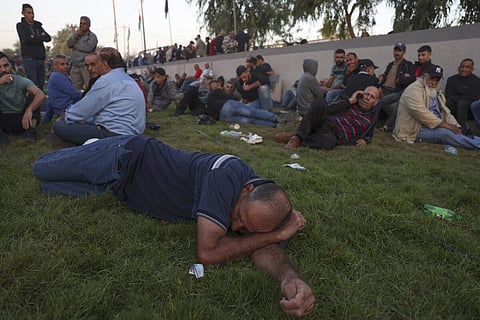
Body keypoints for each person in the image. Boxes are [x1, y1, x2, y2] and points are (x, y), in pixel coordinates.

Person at [32, 135, 315, 318]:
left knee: (47, 188)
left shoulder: (261, 211)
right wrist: (278, 234)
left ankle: (88, 149)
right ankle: (93, 144)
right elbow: (208, 254)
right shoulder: (226, 176)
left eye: (246, 228)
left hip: (117, 191)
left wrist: (289, 278)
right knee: (40, 168)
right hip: (124, 158)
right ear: (247, 189)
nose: (235, 224)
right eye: (239, 216)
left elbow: (266, 250)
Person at [52, 47, 145, 145]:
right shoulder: (129, 80)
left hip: (114, 135)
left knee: (59, 126)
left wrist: (65, 117)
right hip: (134, 134)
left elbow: (83, 109)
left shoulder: (106, 80)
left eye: (97, 63)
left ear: (105, 63)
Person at [393, 65, 480, 150]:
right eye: (432, 78)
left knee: (459, 132)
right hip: (414, 130)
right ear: (424, 76)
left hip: (434, 125)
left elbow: (445, 112)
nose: (434, 82)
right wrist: (447, 126)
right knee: (445, 133)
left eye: (437, 80)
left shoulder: (437, 90)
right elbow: (422, 114)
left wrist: (457, 126)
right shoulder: (413, 90)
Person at [275, 86, 382, 150]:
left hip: (335, 134)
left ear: (376, 102)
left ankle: (294, 138)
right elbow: (328, 109)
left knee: (328, 143)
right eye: (366, 94)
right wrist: (350, 101)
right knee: (320, 103)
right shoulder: (349, 104)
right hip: (326, 122)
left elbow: (370, 134)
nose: (367, 98)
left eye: (372, 97)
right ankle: (296, 138)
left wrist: (365, 140)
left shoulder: (372, 117)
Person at [0, 52, 46, 144]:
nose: (3, 70)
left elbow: (41, 95)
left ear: (11, 66)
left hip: (23, 119)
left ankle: (30, 132)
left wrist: (29, 109)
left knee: (35, 97)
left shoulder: (20, 80)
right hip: (3, 120)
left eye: (6, 66)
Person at [205, 79, 286, 127]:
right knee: (253, 112)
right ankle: (275, 118)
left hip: (223, 118)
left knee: (250, 121)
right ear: (217, 87)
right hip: (228, 106)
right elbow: (231, 98)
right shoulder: (217, 91)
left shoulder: (208, 99)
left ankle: (275, 125)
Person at [377, 43, 415, 132]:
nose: (397, 53)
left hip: (395, 90)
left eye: (399, 50)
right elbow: (386, 76)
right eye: (395, 50)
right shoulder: (390, 64)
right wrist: (382, 77)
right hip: (383, 88)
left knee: (384, 102)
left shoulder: (408, 65)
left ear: (404, 52)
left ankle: (387, 126)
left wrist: (402, 79)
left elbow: (412, 78)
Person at [16, 3, 51, 90]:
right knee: (32, 85)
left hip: (40, 58)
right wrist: (40, 37)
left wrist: (34, 37)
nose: (31, 15)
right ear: (23, 13)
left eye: (32, 13)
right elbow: (26, 39)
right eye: (28, 13)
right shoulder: (21, 26)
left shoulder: (38, 26)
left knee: (41, 84)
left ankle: (41, 102)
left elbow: (48, 38)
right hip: (29, 59)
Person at [43, 54, 82, 123]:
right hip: (67, 108)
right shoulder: (58, 76)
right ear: (54, 66)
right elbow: (74, 94)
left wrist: (46, 119)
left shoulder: (55, 76)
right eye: (62, 64)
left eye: (67, 64)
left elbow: (50, 101)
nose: (66, 66)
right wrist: (85, 96)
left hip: (61, 107)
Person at [445, 58, 480, 130]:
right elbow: (448, 95)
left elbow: (474, 98)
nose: (464, 69)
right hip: (454, 107)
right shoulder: (451, 79)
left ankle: (462, 129)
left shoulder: (476, 81)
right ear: (458, 68)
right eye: (462, 66)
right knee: (447, 102)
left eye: (467, 67)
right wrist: (462, 98)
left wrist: (458, 99)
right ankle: (448, 126)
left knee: (462, 103)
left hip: (468, 111)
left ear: (472, 69)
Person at [66, 16, 98, 90]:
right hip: (75, 66)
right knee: (75, 88)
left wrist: (75, 45)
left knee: (90, 86)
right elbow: (69, 44)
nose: (82, 26)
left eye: (84, 24)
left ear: (89, 25)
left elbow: (88, 48)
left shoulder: (92, 36)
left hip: (86, 67)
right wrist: (75, 37)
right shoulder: (75, 35)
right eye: (80, 23)